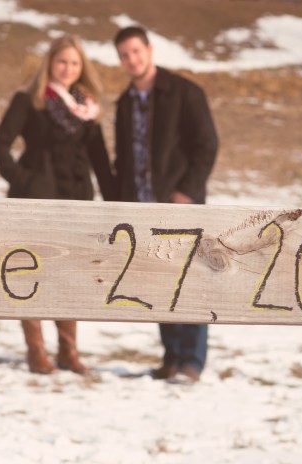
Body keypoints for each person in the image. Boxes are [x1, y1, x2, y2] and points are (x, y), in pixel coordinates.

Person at [0, 34, 113, 376]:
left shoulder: (88, 108)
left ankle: (68, 352)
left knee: (69, 275)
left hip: (76, 202)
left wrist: (114, 201)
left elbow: (100, 160)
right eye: (62, 62)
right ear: (50, 63)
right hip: (35, 202)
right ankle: (35, 351)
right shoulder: (29, 101)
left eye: (74, 63)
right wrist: (25, 181)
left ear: (81, 68)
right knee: (30, 272)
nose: (68, 69)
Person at [109, 25, 218, 384]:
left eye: (136, 52)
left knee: (191, 281)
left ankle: (192, 361)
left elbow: (207, 144)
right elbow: (124, 159)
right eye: (124, 55)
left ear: (149, 50)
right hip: (143, 209)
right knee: (160, 285)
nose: (131, 60)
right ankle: (171, 358)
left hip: (181, 205)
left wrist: (187, 189)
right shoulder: (125, 102)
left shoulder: (183, 92)